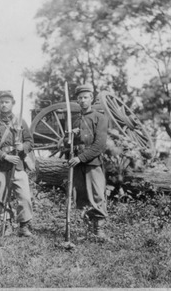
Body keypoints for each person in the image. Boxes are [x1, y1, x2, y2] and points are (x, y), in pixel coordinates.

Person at [0, 90, 33, 237]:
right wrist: (5, 156)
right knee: (2, 196)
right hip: (0, 165)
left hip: (17, 164)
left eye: (7, 102)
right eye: (1, 102)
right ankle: (6, 224)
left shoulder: (20, 121)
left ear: (13, 104)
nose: (4, 105)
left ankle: (24, 226)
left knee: (24, 195)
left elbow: (29, 141)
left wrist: (22, 147)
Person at [67, 84, 109, 238]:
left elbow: (99, 145)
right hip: (77, 164)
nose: (83, 100)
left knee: (97, 194)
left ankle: (99, 231)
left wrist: (81, 158)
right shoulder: (75, 120)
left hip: (92, 162)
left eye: (86, 97)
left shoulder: (100, 118)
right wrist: (70, 136)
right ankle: (88, 230)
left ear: (91, 98)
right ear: (77, 100)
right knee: (82, 195)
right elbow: (66, 144)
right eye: (80, 98)